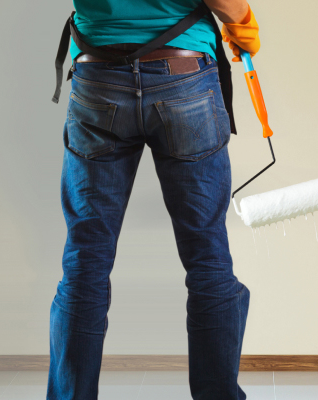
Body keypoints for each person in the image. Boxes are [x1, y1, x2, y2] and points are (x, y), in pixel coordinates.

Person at [47, 0, 261, 399]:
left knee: (85, 259)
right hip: (184, 77)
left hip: (98, 76)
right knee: (207, 256)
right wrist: (241, 20)